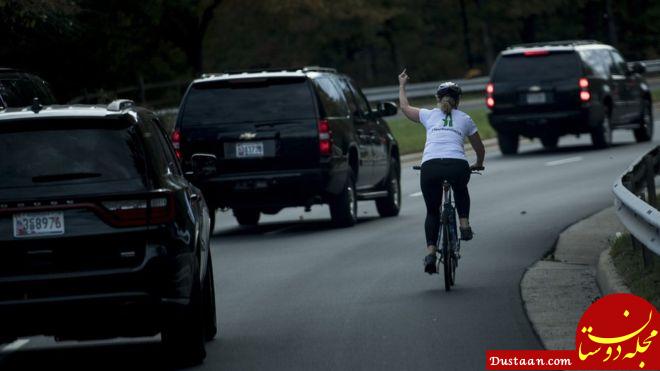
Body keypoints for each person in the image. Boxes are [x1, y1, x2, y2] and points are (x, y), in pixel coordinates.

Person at [398, 69, 485, 275]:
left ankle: (430, 252)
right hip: (457, 165)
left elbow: (404, 107)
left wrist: (402, 85)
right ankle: (464, 223)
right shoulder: (465, 118)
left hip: (430, 167)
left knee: (432, 211)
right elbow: (479, 147)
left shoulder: (428, 115)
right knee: (461, 187)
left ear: (437, 98)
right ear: (459, 100)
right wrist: (478, 162)